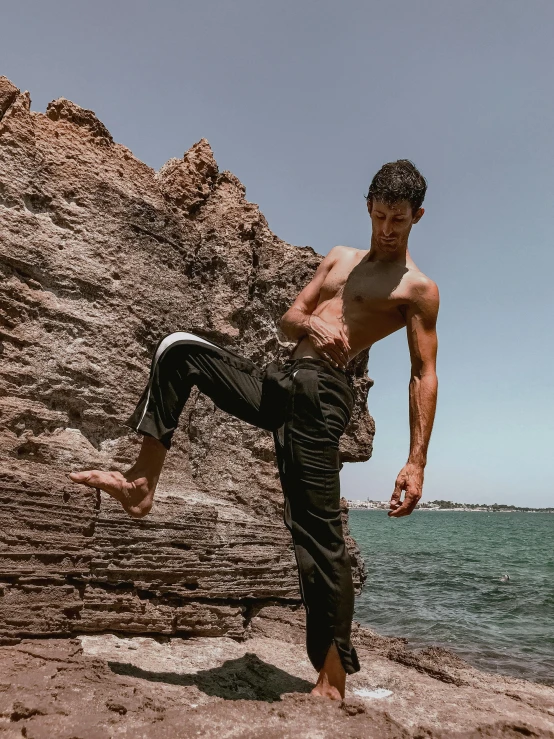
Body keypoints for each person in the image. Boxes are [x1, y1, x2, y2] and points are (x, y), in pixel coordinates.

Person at [69, 159, 439, 701]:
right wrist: (310, 322)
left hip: (323, 393)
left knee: (318, 536)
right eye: (380, 216)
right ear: (368, 207)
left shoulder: (417, 289)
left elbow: (423, 373)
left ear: (417, 218)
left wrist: (416, 460)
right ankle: (141, 484)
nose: (387, 230)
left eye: (399, 221)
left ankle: (332, 677)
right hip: (281, 378)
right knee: (178, 350)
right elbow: (289, 319)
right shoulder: (339, 259)